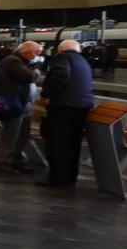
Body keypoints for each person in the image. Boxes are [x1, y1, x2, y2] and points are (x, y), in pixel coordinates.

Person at [38, 39, 94, 188]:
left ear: (60, 49)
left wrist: (46, 95)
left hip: (64, 108)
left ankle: (57, 179)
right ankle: (69, 179)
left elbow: (60, 76)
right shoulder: (82, 60)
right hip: (81, 108)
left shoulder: (62, 57)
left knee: (57, 144)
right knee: (73, 145)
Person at [0, 41, 42, 175]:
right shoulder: (12, 61)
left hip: (22, 104)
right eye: (37, 53)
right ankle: (2, 162)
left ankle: (15, 159)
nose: (37, 56)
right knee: (11, 134)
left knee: (22, 133)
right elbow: (28, 77)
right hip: (13, 103)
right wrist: (36, 70)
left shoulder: (21, 62)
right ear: (28, 52)